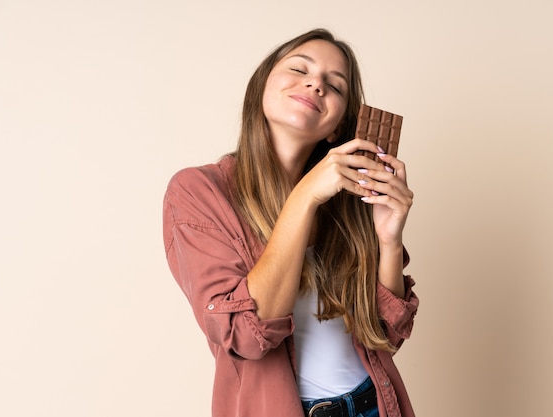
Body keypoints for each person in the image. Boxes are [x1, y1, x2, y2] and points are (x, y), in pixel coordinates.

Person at [163, 28, 419, 417]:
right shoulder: (199, 192)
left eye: (335, 86)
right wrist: (304, 197)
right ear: (262, 86)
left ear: (336, 127)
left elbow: (385, 336)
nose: (316, 84)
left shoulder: (349, 202)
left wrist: (388, 240)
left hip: (375, 406)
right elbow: (246, 334)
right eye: (300, 69)